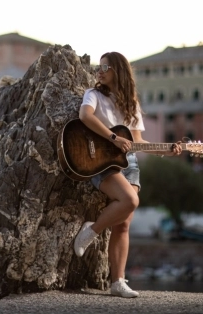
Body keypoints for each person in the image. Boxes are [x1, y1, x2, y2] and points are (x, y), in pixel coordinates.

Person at [73, 51, 182, 298]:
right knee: (130, 201)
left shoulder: (131, 103)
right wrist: (113, 137)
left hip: (129, 163)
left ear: (118, 70)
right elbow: (85, 116)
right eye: (98, 67)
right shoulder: (94, 95)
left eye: (105, 67)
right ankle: (92, 230)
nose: (99, 71)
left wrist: (168, 151)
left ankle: (117, 282)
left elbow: (138, 141)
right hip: (102, 161)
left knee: (123, 224)